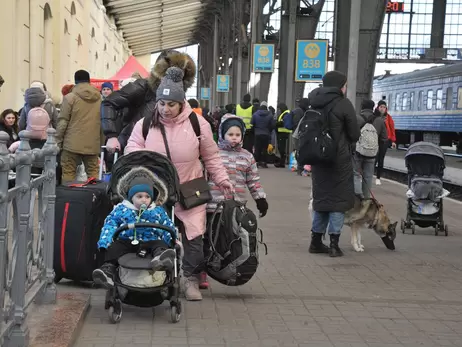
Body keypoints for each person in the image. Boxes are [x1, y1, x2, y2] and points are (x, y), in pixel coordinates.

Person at [124, 66, 233, 301]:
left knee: (194, 234)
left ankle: (189, 279)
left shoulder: (197, 123)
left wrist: (222, 179)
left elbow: (212, 156)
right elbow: (132, 149)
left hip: (190, 186)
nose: (165, 109)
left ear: (181, 103)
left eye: (171, 104)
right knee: (154, 230)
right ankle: (157, 275)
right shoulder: (145, 123)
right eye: (161, 103)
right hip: (156, 189)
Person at [92, 167, 177, 288]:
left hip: (150, 241)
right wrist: (105, 241)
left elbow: (167, 225)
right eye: (139, 196)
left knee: (159, 243)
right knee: (115, 247)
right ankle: (108, 271)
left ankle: (161, 258)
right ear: (131, 197)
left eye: (147, 197)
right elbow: (110, 224)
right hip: (128, 241)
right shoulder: (122, 209)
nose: (144, 199)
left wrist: (173, 241)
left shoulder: (157, 211)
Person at [101, 50, 196, 154]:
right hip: (135, 151)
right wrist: (111, 136)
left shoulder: (180, 97)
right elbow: (109, 103)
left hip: (167, 156)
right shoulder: (143, 87)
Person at [308, 70, 360, 257]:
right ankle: (333, 244)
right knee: (337, 203)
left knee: (321, 201)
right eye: (345, 85)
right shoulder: (344, 103)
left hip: (318, 159)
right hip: (339, 160)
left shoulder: (313, 101)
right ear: (340, 86)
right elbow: (354, 134)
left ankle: (315, 242)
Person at [56, 70, 102, 182]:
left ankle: (68, 198)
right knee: (93, 174)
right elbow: (102, 121)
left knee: (68, 173)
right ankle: (93, 198)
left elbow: (63, 121)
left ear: (75, 80)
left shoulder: (70, 97)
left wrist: (57, 141)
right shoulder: (99, 98)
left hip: (71, 143)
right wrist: (100, 142)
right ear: (89, 80)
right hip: (92, 143)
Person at [353, 99, 388, 218]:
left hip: (358, 152)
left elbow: (350, 135)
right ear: (374, 108)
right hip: (372, 154)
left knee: (356, 174)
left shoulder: (357, 118)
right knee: (368, 176)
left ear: (361, 107)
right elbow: (384, 138)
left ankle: (357, 199)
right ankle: (366, 202)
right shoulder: (379, 120)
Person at [375, 100, 396, 185]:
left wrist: (393, 141)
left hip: (385, 141)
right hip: (375, 140)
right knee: (374, 158)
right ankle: (370, 175)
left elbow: (392, 129)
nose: (383, 109)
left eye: (384, 107)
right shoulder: (374, 116)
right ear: (378, 107)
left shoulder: (389, 118)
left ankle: (378, 177)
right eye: (381, 107)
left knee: (381, 158)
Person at [251, 101, 275, 168]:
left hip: (257, 134)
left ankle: (256, 162)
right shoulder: (270, 115)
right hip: (266, 134)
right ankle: (264, 162)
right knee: (264, 149)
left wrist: (255, 131)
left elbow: (252, 124)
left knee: (257, 149)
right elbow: (273, 125)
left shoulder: (255, 114)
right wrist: (268, 130)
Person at [275, 102, 291, 168]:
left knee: (282, 148)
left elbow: (282, 123)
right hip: (281, 133)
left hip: (283, 133)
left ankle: (282, 163)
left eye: (279, 109)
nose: (278, 110)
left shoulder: (286, 113)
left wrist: (276, 123)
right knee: (281, 148)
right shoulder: (284, 113)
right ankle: (282, 162)